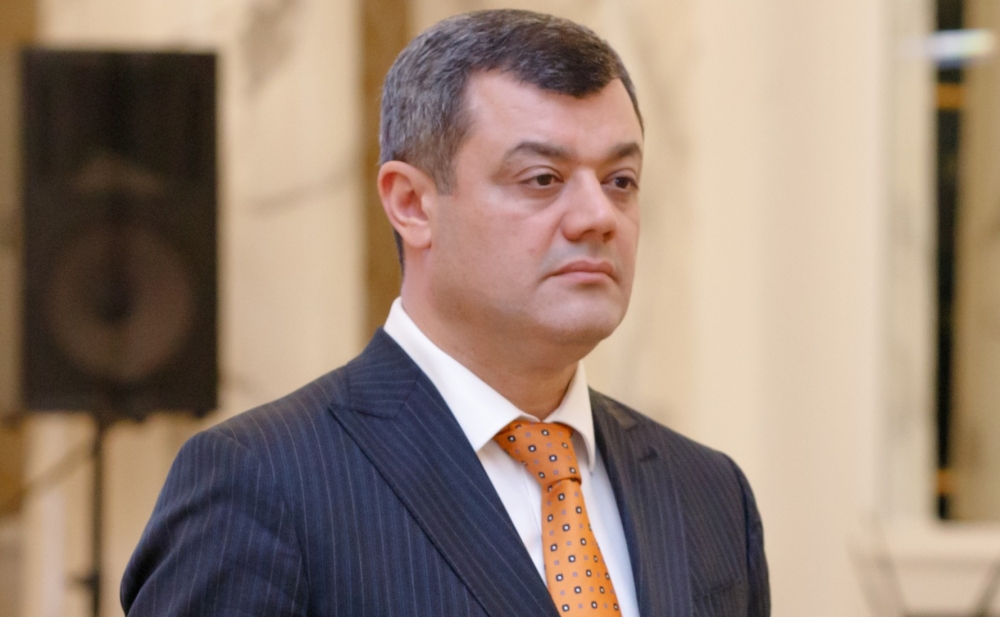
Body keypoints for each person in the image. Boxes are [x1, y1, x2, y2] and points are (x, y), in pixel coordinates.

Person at [121, 9, 769, 617]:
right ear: (411, 203)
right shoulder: (262, 481)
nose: (598, 216)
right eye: (542, 179)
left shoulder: (709, 493)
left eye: (619, 181)